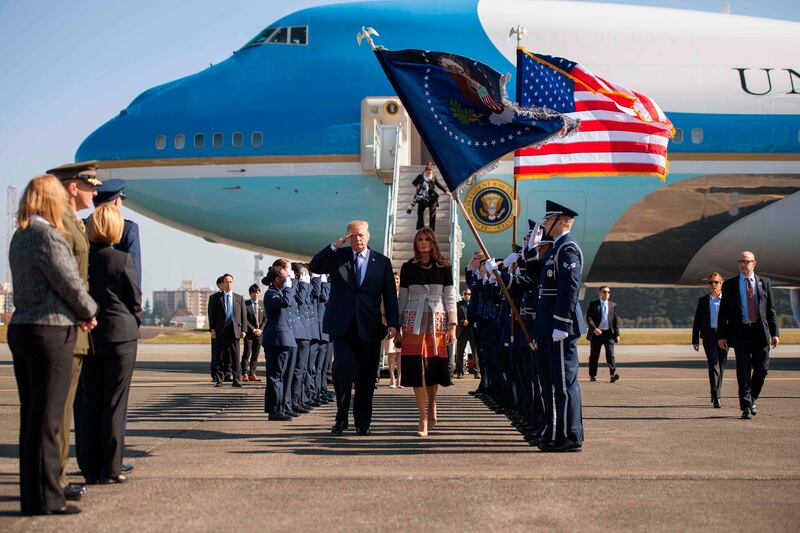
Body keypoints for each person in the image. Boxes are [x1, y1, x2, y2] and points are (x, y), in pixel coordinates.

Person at [8, 175, 97, 515]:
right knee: (50, 419)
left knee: (33, 418)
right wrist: (88, 311)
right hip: (52, 330)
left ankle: (35, 495)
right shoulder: (47, 234)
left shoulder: (21, 234)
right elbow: (69, 281)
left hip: (24, 327)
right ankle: (47, 499)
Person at [309, 220, 399, 436]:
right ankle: (341, 419)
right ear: (347, 237)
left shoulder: (382, 262)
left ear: (368, 236)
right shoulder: (338, 257)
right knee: (342, 373)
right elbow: (314, 266)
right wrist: (334, 246)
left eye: (361, 235)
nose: (357, 239)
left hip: (369, 326)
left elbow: (389, 295)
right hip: (343, 326)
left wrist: (394, 324)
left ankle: (363, 422)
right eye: (352, 236)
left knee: (366, 378)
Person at [46, 161, 100, 502]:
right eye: (89, 185)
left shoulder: (74, 224)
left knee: (64, 411)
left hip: (73, 326)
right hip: (64, 325)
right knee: (57, 411)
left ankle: (56, 480)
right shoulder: (61, 225)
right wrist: (87, 310)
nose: (94, 191)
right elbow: (66, 278)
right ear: (71, 188)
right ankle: (52, 483)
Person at [80, 204, 142, 484]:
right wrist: (133, 322)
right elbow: (135, 300)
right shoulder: (121, 259)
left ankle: (90, 467)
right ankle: (112, 467)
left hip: (90, 335)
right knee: (115, 403)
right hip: (121, 336)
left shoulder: (81, 259)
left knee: (90, 400)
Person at [532, 200, 584, 452]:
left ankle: (570, 436)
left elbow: (569, 288)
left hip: (559, 326)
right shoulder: (555, 249)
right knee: (554, 383)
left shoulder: (568, 249)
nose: (544, 223)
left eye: (548, 219)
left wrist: (562, 323)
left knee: (564, 384)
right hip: (548, 326)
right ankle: (556, 433)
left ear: (561, 221)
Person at [395, 228, 458, 437]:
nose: (422, 242)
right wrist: (397, 327)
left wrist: (453, 325)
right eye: (419, 239)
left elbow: (450, 298)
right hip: (413, 320)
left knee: (432, 368)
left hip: (437, 321)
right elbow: (402, 297)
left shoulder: (444, 267)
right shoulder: (408, 267)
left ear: (433, 242)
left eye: (426, 239)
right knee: (417, 369)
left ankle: (432, 404)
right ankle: (422, 416)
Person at [717, 251, 779, 420]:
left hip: (761, 332)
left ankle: (751, 398)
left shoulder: (764, 283)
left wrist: (775, 333)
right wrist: (722, 335)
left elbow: (770, 310)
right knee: (743, 370)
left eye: (746, 261)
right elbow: (723, 313)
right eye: (740, 262)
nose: (743, 265)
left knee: (763, 369)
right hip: (741, 332)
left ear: (754, 263)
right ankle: (746, 406)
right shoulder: (730, 285)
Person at [91, 179, 142, 286]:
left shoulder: (82, 225)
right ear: (116, 202)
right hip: (119, 300)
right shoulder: (128, 228)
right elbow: (134, 274)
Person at [262, 266, 296, 421]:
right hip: (276, 339)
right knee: (276, 376)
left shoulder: (279, 292)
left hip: (284, 339)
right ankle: (275, 411)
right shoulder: (271, 294)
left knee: (281, 376)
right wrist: (289, 288)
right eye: (284, 277)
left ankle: (279, 407)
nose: (287, 280)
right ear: (276, 279)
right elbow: (285, 302)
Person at [692, 272, 728, 408]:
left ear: (721, 283)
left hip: (723, 336)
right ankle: (716, 394)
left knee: (722, 365)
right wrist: (695, 340)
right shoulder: (703, 301)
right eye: (711, 282)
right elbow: (697, 321)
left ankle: (716, 391)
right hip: (708, 336)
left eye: (716, 282)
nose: (713, 285)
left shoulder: (727, 300)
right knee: (713, 363)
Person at [207, 274, 247, 387]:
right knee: (219, 356)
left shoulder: (239, 298)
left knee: (235, 356)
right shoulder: (215, 298)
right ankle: (219, 379)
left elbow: (243, 315)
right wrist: (212, 329)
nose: (228, 284)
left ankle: (237, 380)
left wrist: (243, 329)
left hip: (234, 331)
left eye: (230, 282)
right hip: (220, 330)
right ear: (222, 284)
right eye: (226, 282)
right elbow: (211, 315)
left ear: (232, 283)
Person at [585, 286, 620, 383]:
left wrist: (617, 334)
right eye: (604, 292)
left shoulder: (613, 305)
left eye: (608, 292)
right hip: (597, 334)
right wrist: (594, 329)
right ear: (600, 293)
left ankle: (613, 374)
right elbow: (589, 318)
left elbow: (615, 321)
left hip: (609, 333)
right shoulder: (593, 304)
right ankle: (593, 375)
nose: (606, 294)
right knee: (594, 356)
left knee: (610, 355)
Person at [411, 162, 448, 230]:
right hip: (422, 197)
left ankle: (431, 229)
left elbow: (439, 185)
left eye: (430, 173)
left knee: (432, 214)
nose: (429, 175)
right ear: (425, 171)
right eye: (428, 173)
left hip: (432, 198)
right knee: (419, 213)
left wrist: (445, 191)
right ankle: (421, 228)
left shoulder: (433, 177)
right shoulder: (420, 176)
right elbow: (413, 182)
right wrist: (417, 185)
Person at [242, 284, 265, 382]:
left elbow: (265, 319)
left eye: (257, 292)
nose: (255, 294)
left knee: (255, 355)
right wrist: (253, 329)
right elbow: (244, 320)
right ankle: (244, 374)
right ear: (250, 293)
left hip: (259, 334)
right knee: (247, 354)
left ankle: (252, 373)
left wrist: (261, 329)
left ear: (259, 293)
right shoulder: (245, 304)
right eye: (253, 292)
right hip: (249, 334)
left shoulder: (262, 304)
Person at [454, 288, 476, 379]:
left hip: (472, 330)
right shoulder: (458, 305)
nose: (467, 295)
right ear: (463, 295)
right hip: (462, 330)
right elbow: (454, 318)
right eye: (465, 294)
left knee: (475, 352)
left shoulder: (475, 304)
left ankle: (477, 371)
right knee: (460, 351)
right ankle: (459, 371)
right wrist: (462, 322)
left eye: (469, 294)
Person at [386, 272, 402, 388]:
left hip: (401, 326)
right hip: (390, 326)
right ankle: (392, 378)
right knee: (391, 354)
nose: (396, 281)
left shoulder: (403, 294)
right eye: (394, 279)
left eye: (397, 279)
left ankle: (400, 380)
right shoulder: (388, 293)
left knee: (400, 354)